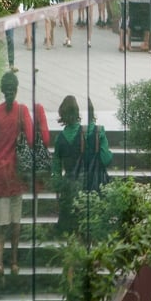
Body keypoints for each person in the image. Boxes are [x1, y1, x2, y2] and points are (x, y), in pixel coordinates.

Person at [0, 72, 33, 276]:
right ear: (17, 88)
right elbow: (30, 139)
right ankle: (14, 263)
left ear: (2, 90)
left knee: (0, 223)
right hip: (16, 174)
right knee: (15, 221)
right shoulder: (22, 111)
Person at [51, 95, 113, 237]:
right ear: (78, 113)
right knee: (89, 230)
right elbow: (106, 159)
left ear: (62, 115)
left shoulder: (59, 139)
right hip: (89, 186)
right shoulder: (90, 133)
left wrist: (58, 193)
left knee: (71, 232)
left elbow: (56, 170)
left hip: (69, 189)